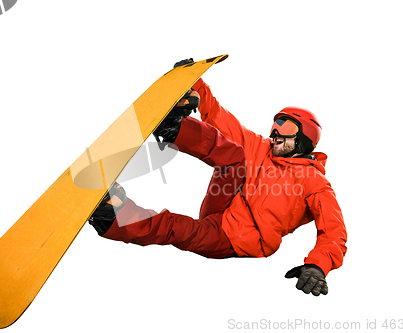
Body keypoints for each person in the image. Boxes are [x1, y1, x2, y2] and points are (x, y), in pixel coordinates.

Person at [89, 59, 347, 297]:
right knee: (234, 155)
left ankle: (111, 217)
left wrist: (317, 266)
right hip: (223, 205)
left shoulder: (315, 183)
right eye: (276, 124)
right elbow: (221, 119)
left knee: (176, 228)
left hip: (237, 239)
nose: (276, 132)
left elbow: (334, 231)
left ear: (304, 140)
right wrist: (193, 82)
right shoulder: (261, 148)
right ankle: (173, 127)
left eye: (287, 127)